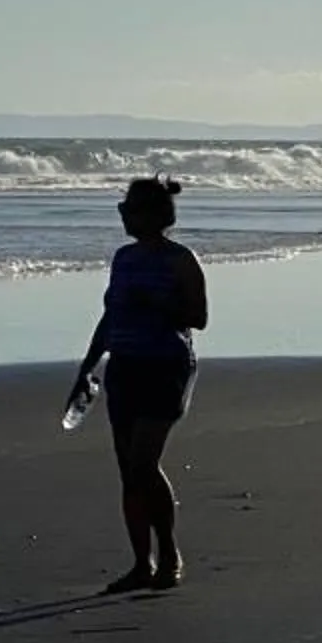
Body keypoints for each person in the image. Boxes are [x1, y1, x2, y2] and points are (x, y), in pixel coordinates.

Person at [70, 177, 207, 593]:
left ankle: (169, 554)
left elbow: (198, 318)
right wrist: (88, 365)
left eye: (128, 208)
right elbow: (110, 316)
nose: (123, 215)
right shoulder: (123, 258)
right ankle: (140, 564)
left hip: (165, 366)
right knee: (128, 471)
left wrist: (158, 304)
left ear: (154, 215)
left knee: (143, 464)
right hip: (124, 367)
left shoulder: (181, 260)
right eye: (122, 208)